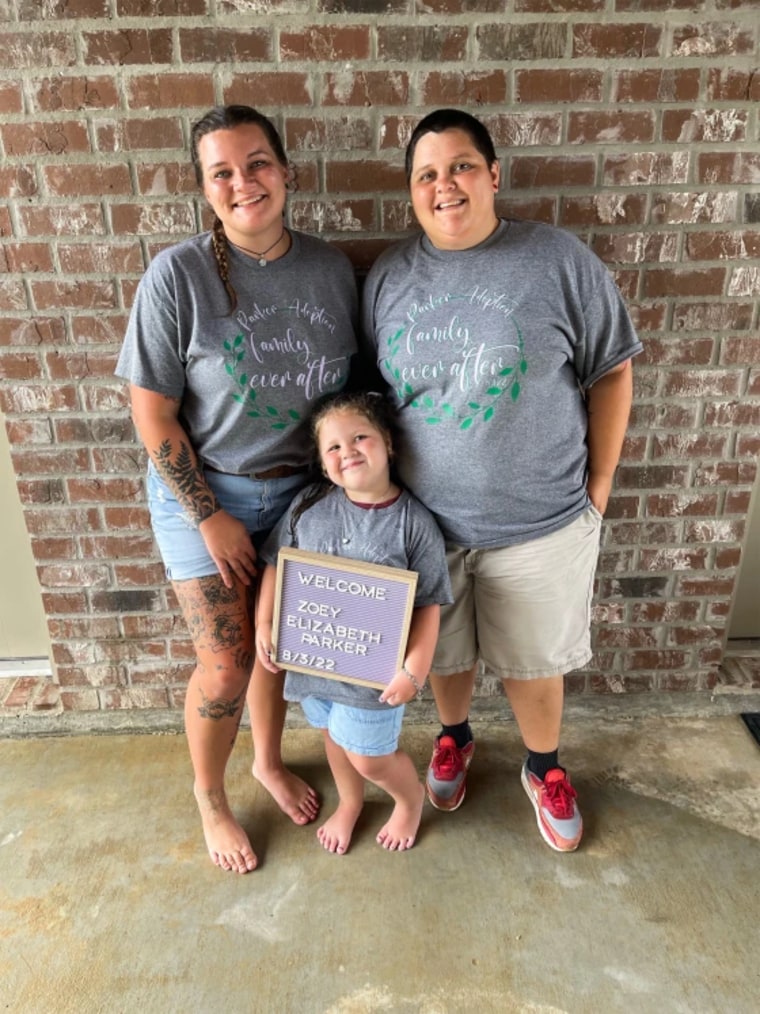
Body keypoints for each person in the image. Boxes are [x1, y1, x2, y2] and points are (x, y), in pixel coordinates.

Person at [362, 108, 642, 852]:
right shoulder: (389, 275)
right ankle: (454, 737)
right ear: (413, 193)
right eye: (426, 174)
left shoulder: (556, 260)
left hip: (542, 519)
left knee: (533, 664)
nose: (444, 185)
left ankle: (543, 767)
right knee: (445, 656)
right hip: (426, 525)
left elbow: (613, 371)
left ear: (493, 174)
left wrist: (602, 484)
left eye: (459, 166)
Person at [115, 105, 359, 873]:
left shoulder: (329, 269)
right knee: (226, 663)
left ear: (287, 172)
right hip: (202, 494)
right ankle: (211, 799)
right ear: (205, 189)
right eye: (221, 172)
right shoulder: (177, 276)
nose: (242, 182)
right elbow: (151, 412)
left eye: (256, 163)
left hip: (298, 499)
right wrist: (209, 513)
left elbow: (350, 389)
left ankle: (268, 760)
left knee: (279, 652)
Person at [255, 391, 452, 854]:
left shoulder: (413, 523)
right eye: (334, 447)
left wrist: (414, 670)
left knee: (369, 755)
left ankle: (408, 800)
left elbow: (428, 604)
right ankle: (350, 803)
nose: (349, 452)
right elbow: (275, 564)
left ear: (388, 443)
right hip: (315, 662)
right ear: (323, 465)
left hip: (374, 675)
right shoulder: (308, 505)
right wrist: (265, 623)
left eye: (360, 437)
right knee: (334, 738)